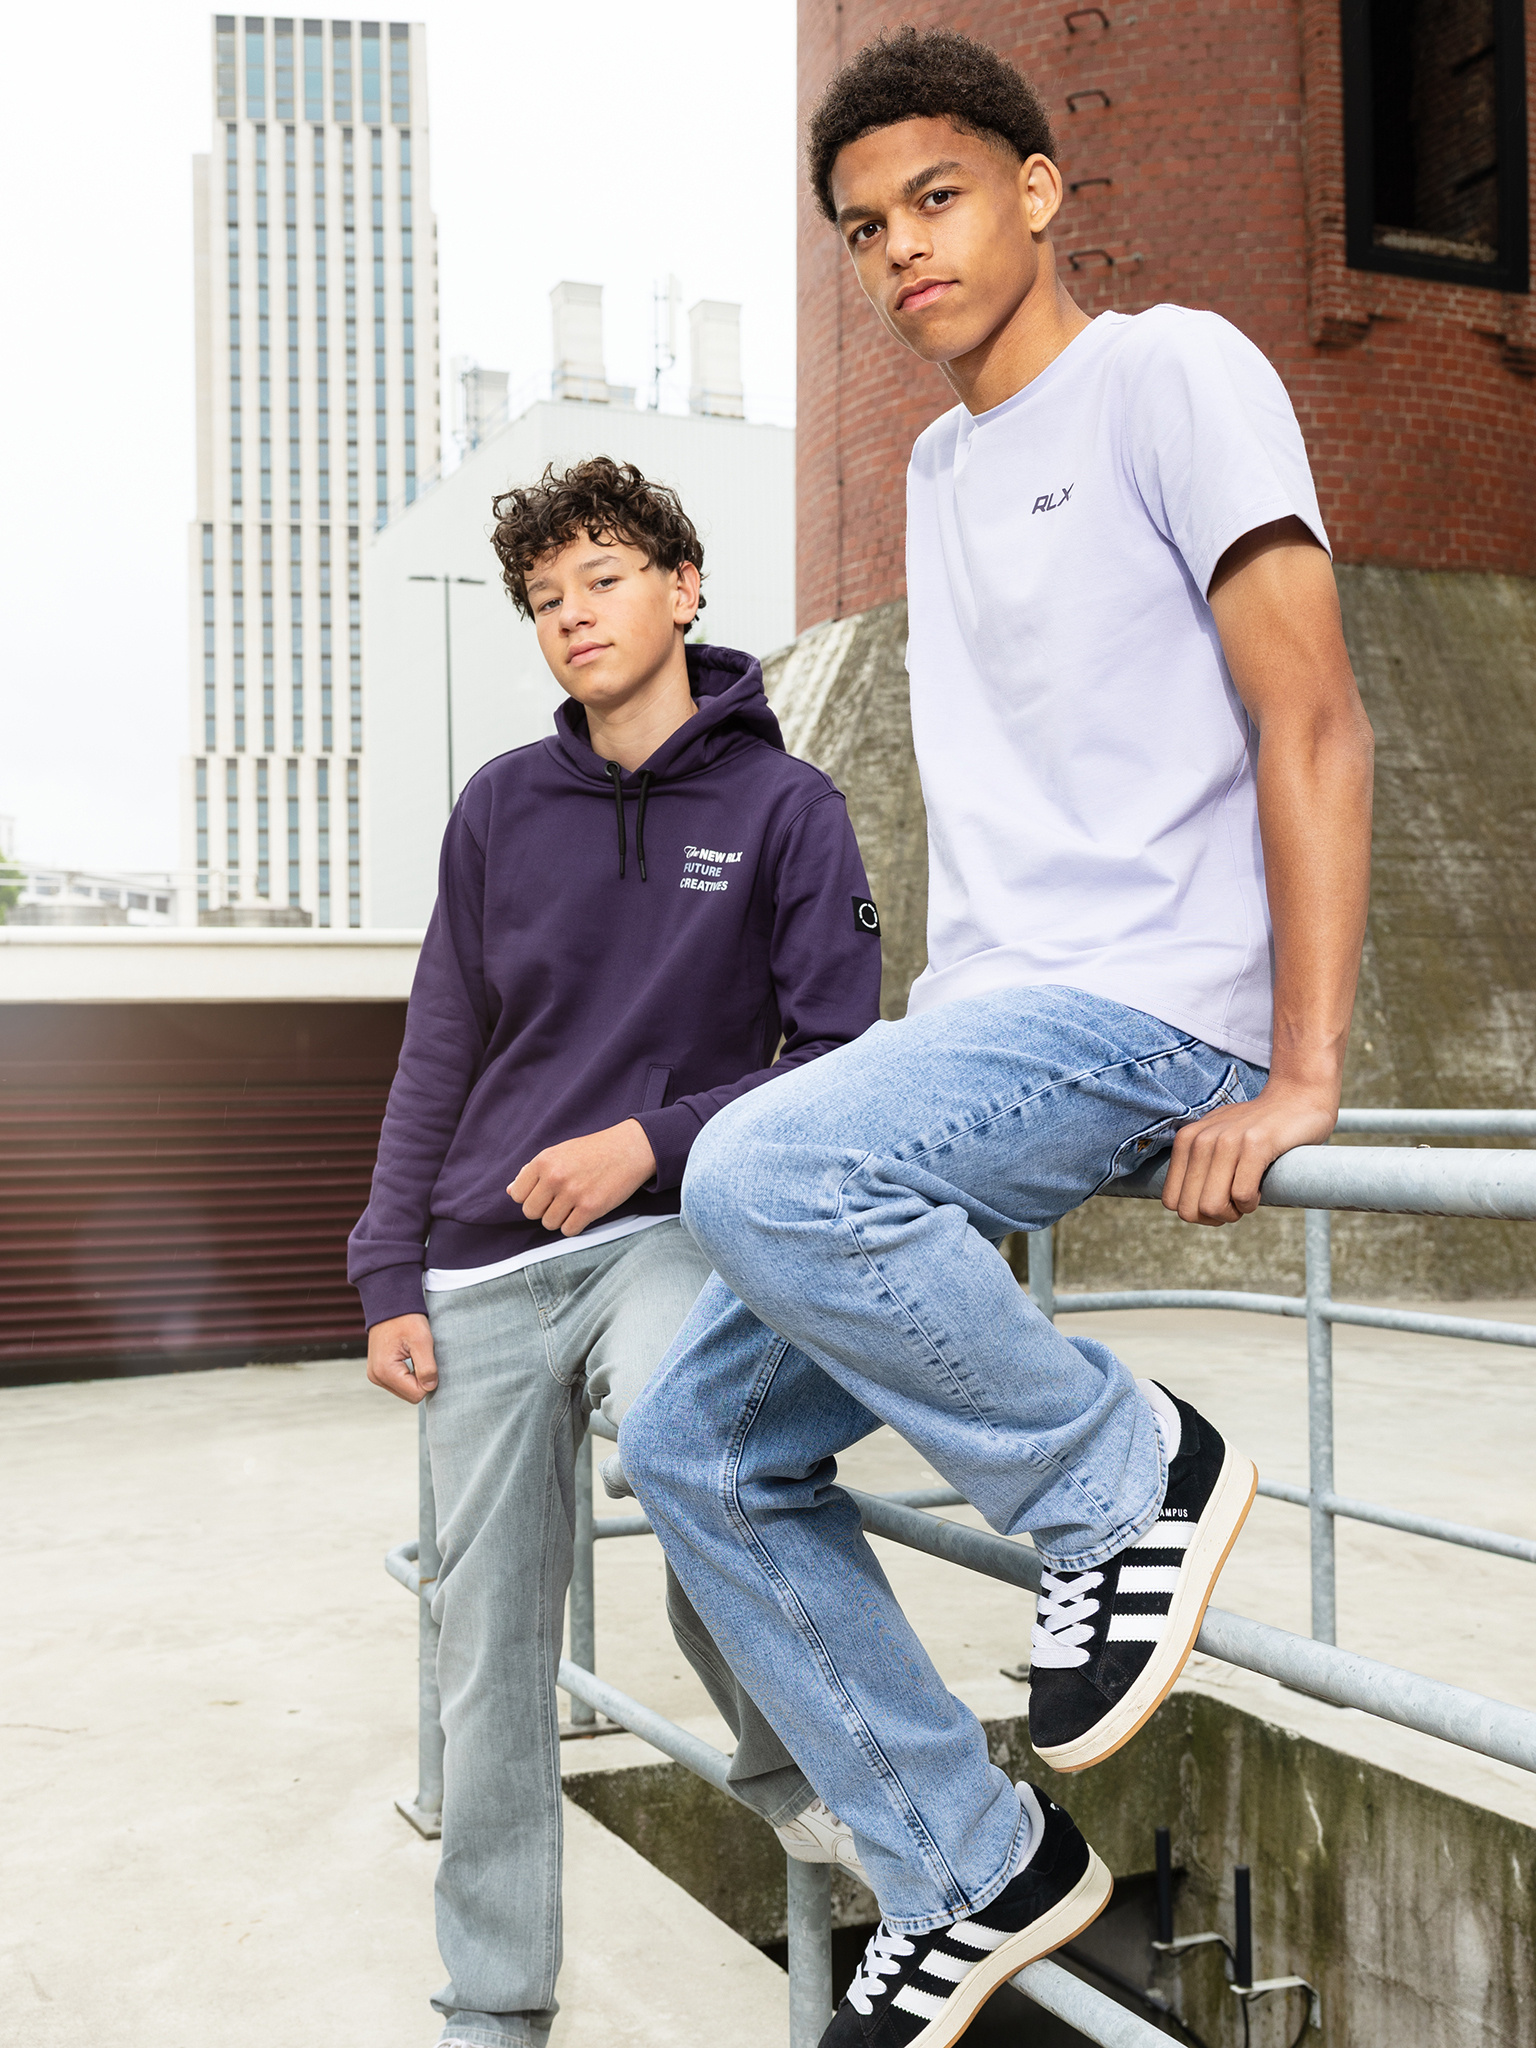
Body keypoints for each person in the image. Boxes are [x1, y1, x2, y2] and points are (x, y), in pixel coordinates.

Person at [619, 29, 1374, 2047]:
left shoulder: (1172, 373)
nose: (902, 251)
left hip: (1152, 1006)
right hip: (996, 1023)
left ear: (1041, 190)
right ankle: (970, 1856)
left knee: (764, 1160)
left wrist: (1302, 1067)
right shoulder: (941, 469)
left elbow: (1311, 711)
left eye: (937, 199)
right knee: (693, 1444)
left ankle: (1123, 1476)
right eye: (866, 229)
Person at [348, 456, 883, 2048]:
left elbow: (839, 1063)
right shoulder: (503, 806)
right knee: (486, 1656)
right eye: (544, 598)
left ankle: (806, 1772)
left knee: (698, 1453)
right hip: (480, 1271)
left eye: (602, 579)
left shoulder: (787, 811)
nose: (572, 615)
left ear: (682, 588)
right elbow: (440, 1044)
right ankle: (495, 2004)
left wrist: (652, 1140)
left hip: (666, 1236)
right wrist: (386, 1270)